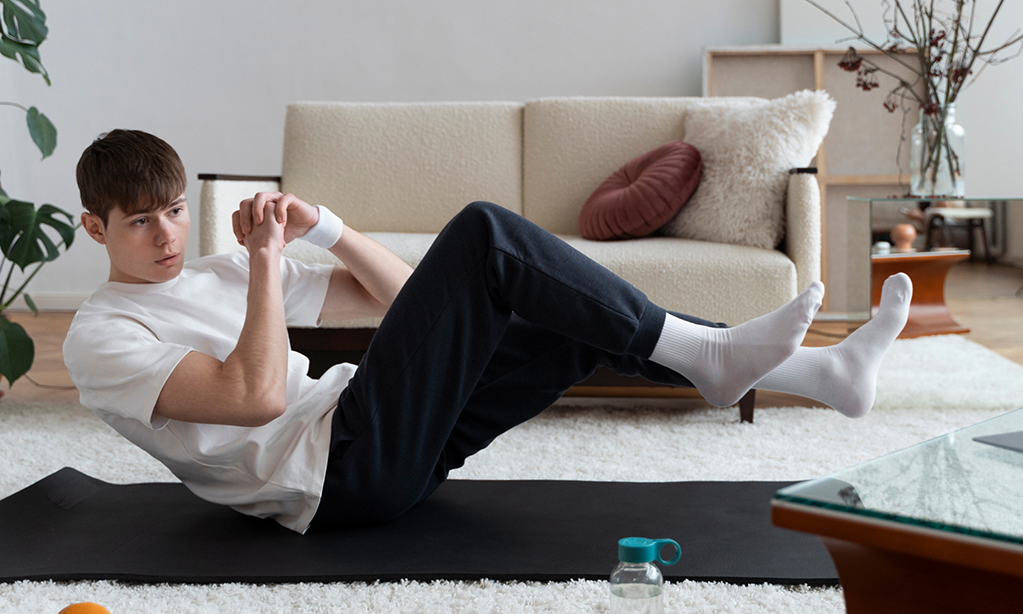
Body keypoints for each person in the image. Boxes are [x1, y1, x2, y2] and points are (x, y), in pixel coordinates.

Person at [64, 129, 912, 534]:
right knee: (483, 231)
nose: (171, 236)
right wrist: (260, 263)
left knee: (571, 315)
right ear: (97, 229)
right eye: (142, 222)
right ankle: (721, 361)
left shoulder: (214, 272)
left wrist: (322, 225)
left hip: (382, 434)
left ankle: (814, 374)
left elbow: (411, 301)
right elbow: (248, 397)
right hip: (340, 474)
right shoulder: (101, 334)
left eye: (176, 212)